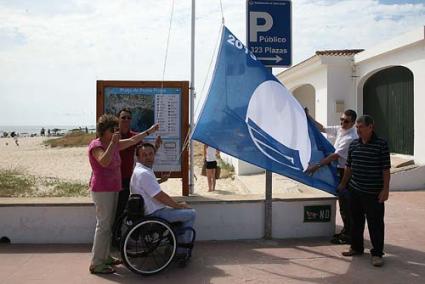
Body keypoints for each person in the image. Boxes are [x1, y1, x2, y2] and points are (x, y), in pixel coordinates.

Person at [88, 114, 159, 274]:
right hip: (102, 190)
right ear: (104, 131)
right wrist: (113, 143)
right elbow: (104, 162)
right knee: (103, 226)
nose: (116, 132)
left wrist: (150, 131)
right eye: (113, 129)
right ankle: (96, 263)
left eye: (116, 129)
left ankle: (105, 256)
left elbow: (134, 140)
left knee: (109, 225)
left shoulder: (113, 144)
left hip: (113, 188)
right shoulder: (96, 145)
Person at [339, 115, 390, 267]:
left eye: (361, 127)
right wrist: (343, 184)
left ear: (370, 127)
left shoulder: (381, 144)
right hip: (355, 191)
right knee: (355, 222)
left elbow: (385, 169)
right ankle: (356, 248)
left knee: (375, 224)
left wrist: (385, 189)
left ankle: (377, 254)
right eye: (357, 127)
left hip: (373, 193)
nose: (358, 130)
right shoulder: (354, 144)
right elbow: (349, 167)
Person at [131, 143, 196, 260]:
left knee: (180, 213)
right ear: (138, 157)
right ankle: (181, 251)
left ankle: (175, 243)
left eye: (151, 154)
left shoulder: (139, 170)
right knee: (191, 213)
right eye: (144, 155)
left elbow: (148, 188)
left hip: (150, 210)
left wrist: (161, 180)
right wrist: (178, 206)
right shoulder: (144, 173)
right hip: (155, 213)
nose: (148, 157)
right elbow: (160, 196)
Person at [306, 109, 358, 244]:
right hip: (340, 170)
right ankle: (347, 232)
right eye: (341, 119)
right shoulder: (341, 129)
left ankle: (349, 235)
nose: (342, 123)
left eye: (346, 121)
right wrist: (308, 117)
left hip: (347, 172)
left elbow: (335, 156)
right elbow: (322, 128)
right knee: (343, 204)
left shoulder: (350, 138)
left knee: (347, 205)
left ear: (352, 123)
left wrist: (316, 166)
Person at [113, 108, 162, 231]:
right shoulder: (114, 137)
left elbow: (144, 154)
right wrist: (150, 130)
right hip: (113, 181)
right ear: (118, 119)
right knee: (114, 212)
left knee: (130, 210)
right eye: (123, 117)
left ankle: (126, 238)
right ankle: (115, 239)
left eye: (128, 118)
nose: (126, 120)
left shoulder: (135, 136)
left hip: (127, 180)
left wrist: (156, 147)